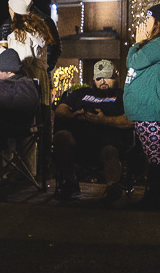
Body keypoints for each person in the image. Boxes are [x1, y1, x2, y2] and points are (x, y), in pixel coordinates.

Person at [52, 59, 132, 204]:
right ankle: (70, 183)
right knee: (61, 136)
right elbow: (60, 110)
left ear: (116, 75)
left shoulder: (123, 96)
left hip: (108, 141)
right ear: (93, 79)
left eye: (107, 77)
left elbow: (131, 120)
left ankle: (112, 188)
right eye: (99, 78)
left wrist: (104, 120)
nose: (103, 81)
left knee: (109, 150)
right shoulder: (81, 93)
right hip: (79, 140)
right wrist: (73, 115)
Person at [124, 2, 160, 209]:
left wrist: (137, 44)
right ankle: (155, 198)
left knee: (156, 158)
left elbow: (133, 62)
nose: (144, 23)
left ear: (159, 22)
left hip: (153, 113)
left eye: (148, 18)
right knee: (154, 157)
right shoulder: (158, 44)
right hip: (149, 111)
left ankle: (157, 200)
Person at [0, 0, 61, 74]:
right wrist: (44, 70)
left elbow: (22, 62)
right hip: (38, 75)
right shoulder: (38, 26)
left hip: (24, 78)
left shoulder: (22, 33)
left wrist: (1, 52)